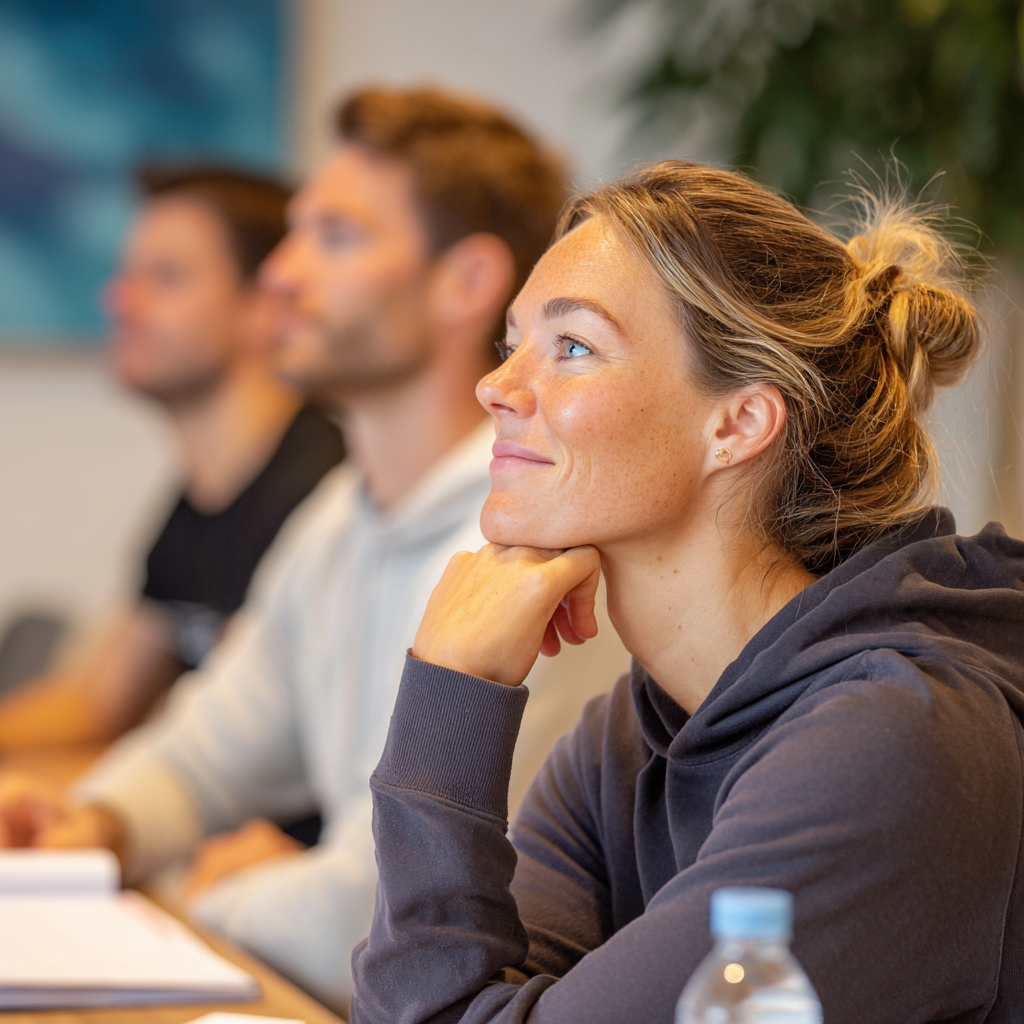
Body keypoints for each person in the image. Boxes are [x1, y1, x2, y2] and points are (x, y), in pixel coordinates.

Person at [0, 87, 632, 1010]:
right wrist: (99, 822)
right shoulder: (342, 513)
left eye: (335, 238)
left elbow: (396, 903)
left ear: (465, 282)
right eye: (293, 235)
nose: (283, 275)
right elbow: (207, 748)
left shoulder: (534, 544)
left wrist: (203, 889)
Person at [350, 162, 1024, 1024]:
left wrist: (448, 703)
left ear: (737, 424)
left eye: (573, 347)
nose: (497, 386)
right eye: (510, 344)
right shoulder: (625, 741)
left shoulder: (893, 746)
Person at [0, 166, 345, 751]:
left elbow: (248, 749)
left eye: (164, 277)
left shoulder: (319, 494)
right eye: (126, 275)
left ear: (266, 305)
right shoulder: (195, 502)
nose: (119, 299)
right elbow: (95, 704)